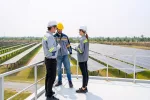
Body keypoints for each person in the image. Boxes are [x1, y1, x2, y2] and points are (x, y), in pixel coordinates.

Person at [42, 21, 60, 100]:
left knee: (48, 77)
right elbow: (51, 49)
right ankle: (49, 96)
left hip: (47, 59)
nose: (56, 29)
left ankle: (48, 91)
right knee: (52, 77)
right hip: (51, 60)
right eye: (55, 27)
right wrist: (58, 47)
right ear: (52, 27)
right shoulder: (50, 37)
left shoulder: (45, 36)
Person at [54, 23, 73, 88]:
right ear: (57, 29)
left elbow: (68, 45)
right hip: (58, 56)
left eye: (61, 29)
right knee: (59, 69)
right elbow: (53, 46)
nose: (60, 30)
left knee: (68, 68)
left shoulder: (65, 36)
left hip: (65, 55)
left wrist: (70, 51)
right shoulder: (54, 37)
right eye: (59, 29)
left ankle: (70, 81)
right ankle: (59, 81)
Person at [75, 26, 89, 93]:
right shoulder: (85, 38)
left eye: (79, 30)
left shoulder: (82, 39)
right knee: (86, 73)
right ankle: (85, 86)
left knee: (84, 74)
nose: (79, 32)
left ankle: (83, 88)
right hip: (85, 58)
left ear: (82, 31)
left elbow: (81, 51)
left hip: (81, 59)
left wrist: (76, 48)